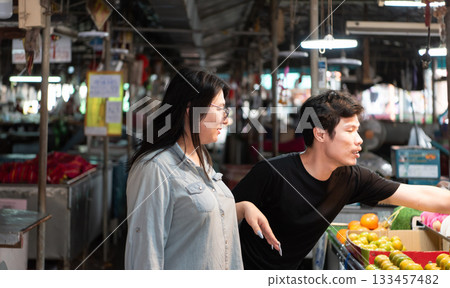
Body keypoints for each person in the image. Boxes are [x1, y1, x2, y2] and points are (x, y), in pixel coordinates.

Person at [232, 90, 450, 270]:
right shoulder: (271, 173)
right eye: (350, 130)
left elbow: (419, 196)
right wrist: (243, 208)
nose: (360, 140)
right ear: (320, 134)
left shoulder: (351, 178)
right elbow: (218, 214)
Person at [125, 68, 280, 270]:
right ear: (192, 110)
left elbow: (190, 218)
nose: (226, 119)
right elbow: (145, 255)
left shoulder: (201, 158)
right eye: (221, 109)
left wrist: (241, 209)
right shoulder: (155, 169)